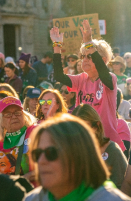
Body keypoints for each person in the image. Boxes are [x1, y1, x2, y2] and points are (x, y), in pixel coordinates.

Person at [51, 21, 125, 151]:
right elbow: (58, 76)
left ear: (102, 60)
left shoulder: (109, 79)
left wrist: (89, 41)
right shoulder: (81, 79)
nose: (84, 59)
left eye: (89, 56)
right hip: (85, 141)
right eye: (83, 56)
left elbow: (104, 72)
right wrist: (57, 46)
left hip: (107, 143)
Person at [25, 114, 131, 201]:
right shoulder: (32, 199)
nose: (41, 161)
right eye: (37, 154)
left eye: (51, 153)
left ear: (77, 156)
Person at [72, 104, 127, 189]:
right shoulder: (71, 150)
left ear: (96, 126)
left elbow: (121, 188)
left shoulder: (112, 150)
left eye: (84, 128)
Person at [0, 97, 37, 181]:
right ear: (1, 121)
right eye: (8, 114)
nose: (14, 117)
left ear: (24, 115)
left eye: (17, 112)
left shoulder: (35, 132)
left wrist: (24, 178)